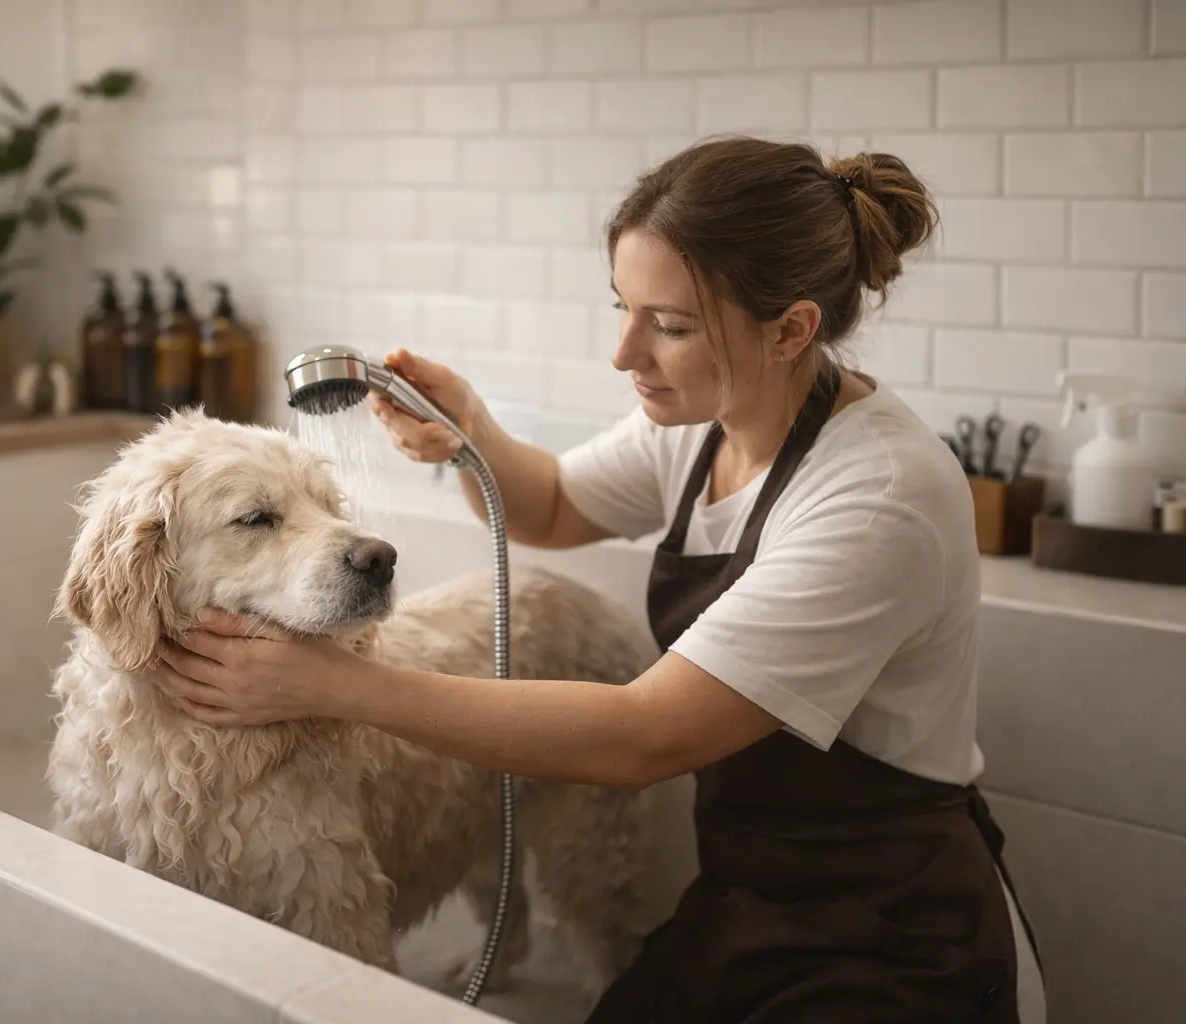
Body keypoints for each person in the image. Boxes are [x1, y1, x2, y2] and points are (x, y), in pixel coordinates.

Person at [152, 136, 1047, 1023]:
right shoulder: (712, 416)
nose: (627, 353)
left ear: (792, 329)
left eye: (671, 325)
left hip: (895, 927)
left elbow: (643, 740)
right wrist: (470, 429)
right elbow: (549, 506)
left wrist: (339, 685)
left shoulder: (878, 495)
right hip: (752, 895)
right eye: (623, 307)